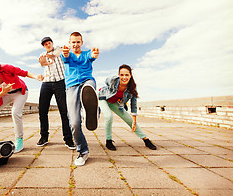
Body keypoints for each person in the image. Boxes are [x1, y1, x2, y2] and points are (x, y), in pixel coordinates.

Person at [0, 51, 44, 153]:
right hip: (4, 95)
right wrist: (2, 93)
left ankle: (19, 140)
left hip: (20, 92)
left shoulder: (6, 67)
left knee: (15, 112)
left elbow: (24, 73)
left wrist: (36, 77)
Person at [61, 32, 100, 166]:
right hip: (71, 86)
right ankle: (83, 150)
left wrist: (94, 54)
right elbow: (65, 58)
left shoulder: (86, 54)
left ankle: (94, 111)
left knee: (89, 88)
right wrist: (65, 54)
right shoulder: (67, 54)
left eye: (78, 42)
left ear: (82, 43)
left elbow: (92, 55)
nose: (76, 44)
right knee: (74, 123)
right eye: (73, 42)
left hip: (87, 81)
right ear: (70, 43)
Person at [98, 64, 157, 151]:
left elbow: (134, 105)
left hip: (114, 102)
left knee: (130, 120)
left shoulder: (132, 88)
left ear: (130, 75)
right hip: (103, 98)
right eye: (121, 75)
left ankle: (146, 140)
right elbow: (106, 82)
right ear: (119, 75)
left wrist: (134, 121)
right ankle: (108, 141)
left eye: (126, 75)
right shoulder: (113, 80)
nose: (124, 77)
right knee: (109, 116)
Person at [37, 37, 76, 149]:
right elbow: (43, 63)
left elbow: (55, 55)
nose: (48, 45)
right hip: (47, 83)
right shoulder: (42, 54)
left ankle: (68, 138)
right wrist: (43, 59)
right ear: (43, 46)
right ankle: (44, 136)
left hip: (60, 82)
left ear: (52, 43)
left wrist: (49, 56)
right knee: (42, 110)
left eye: (49, 43)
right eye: (45, 44)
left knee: (64, 111)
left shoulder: (59, 49)